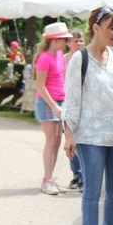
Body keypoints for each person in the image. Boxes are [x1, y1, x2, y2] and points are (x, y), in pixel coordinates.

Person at [62, 10, 113, 225]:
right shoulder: (79, 59)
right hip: (90, 137)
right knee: (92, 193)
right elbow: (71, 100)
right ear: (95, 28)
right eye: (112, 28)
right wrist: (69, 135)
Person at [33, 22, 72, 195]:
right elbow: (40, 85)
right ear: (55, 40)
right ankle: (47, 180)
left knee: (56, 141)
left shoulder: (59, 55)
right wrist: (54, 106)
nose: (67, 42)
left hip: (60, 101)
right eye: (65, 39)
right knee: (51, 140)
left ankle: (50, 178)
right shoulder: (44, 58)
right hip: (48, 102)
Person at [62, 28, 86, 191]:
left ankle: (84, 175)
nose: (78, 43)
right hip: (68, 103)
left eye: (81, 40)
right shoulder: (64, 60)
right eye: (75, 41)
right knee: (70, 139)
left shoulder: (87, 58)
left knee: (82, 141)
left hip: (84, 105)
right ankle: (76, 174)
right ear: (68, 43)